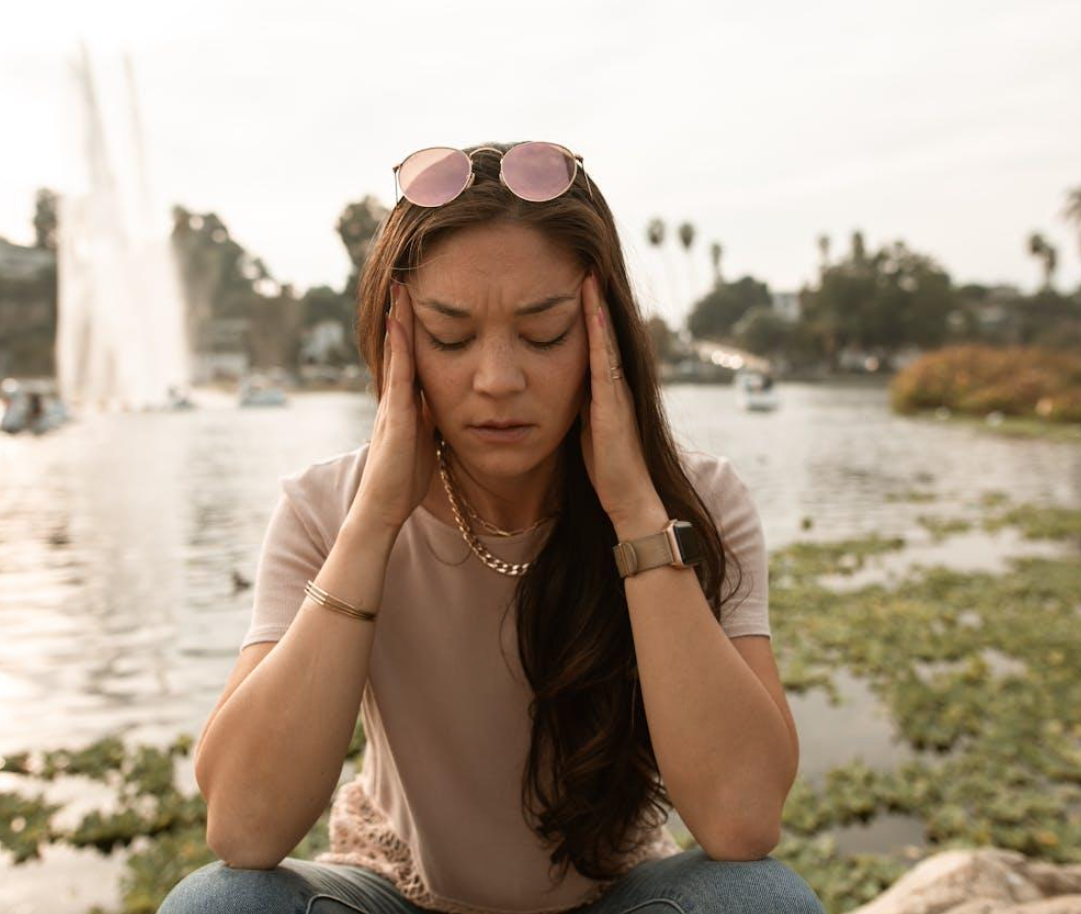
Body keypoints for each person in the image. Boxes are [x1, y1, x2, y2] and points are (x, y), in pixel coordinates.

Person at [159, 141, 826, 914]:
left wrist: (636, 517)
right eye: (449, 337)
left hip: (613, 898)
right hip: (400, 898)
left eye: (543, 334)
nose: (498, 379)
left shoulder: (697, 501)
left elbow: (743, 821)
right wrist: (374, 523)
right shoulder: (325, 507)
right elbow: (242, 828)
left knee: (757, 899)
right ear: (395, 338)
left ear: (603, 330)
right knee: (221, 907)